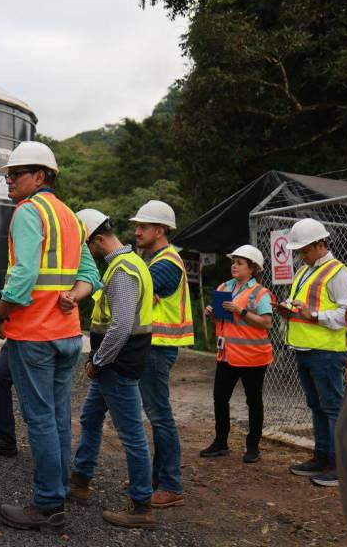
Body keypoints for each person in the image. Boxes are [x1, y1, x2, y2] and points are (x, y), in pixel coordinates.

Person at [0, 141, 99, 534]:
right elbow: (90, 275)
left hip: (34, 334)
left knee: (40, 419)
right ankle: (60, 487)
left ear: (40, 176)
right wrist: (74, 296)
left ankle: (48, 504)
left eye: (15, 174)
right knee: (55, 415)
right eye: (8, 175)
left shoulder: (27, 212)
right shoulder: (70, 216)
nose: (9, 181)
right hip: (68, 336)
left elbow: (23, 276)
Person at [68, 209, 157, 530]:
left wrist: (97, 361)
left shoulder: (121, 271)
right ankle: (79, 481)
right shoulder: (133, 263)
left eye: (87, 245)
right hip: (119, 363)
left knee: (132, 435)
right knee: (90, 417)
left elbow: (119, 327)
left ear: (99, 239)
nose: (86, 251)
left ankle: (141, 505)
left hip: (116, 365)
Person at [274, 218, 347, 488]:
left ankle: (338, 464)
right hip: (304, 349)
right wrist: (287, 310)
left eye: (305, 250)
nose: (302, 256)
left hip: (327, 352)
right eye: (299, 252)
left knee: (333, 408)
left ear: (321, 244)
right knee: (317, 406)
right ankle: (322, 457)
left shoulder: (338, 273)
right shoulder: (305, 270)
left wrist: (316, 315)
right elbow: (305, 305)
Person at [130, 199, 192, 508]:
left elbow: (134, 294)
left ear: (160, 229)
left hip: (158, 347)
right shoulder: (157, 260)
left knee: (159, 416)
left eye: (143, 226)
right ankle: (158, 478)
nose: (137, 231)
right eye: (137, 225)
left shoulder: (166, 263)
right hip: (154, 346)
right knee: (157, 415)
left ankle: (171, 485)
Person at [201, 245, 273, 464]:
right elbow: (222, 321)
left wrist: (240, 311)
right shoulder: (224, 287)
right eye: (233, 262)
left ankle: (253, 447)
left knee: (253, 401)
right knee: (220, 398)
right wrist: (213, 314)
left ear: (252, 269)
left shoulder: (261, 293)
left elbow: (267, 323)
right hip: (227, 354)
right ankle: (221, 442)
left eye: (240, 263)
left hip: (253, 356)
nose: (234, 266)